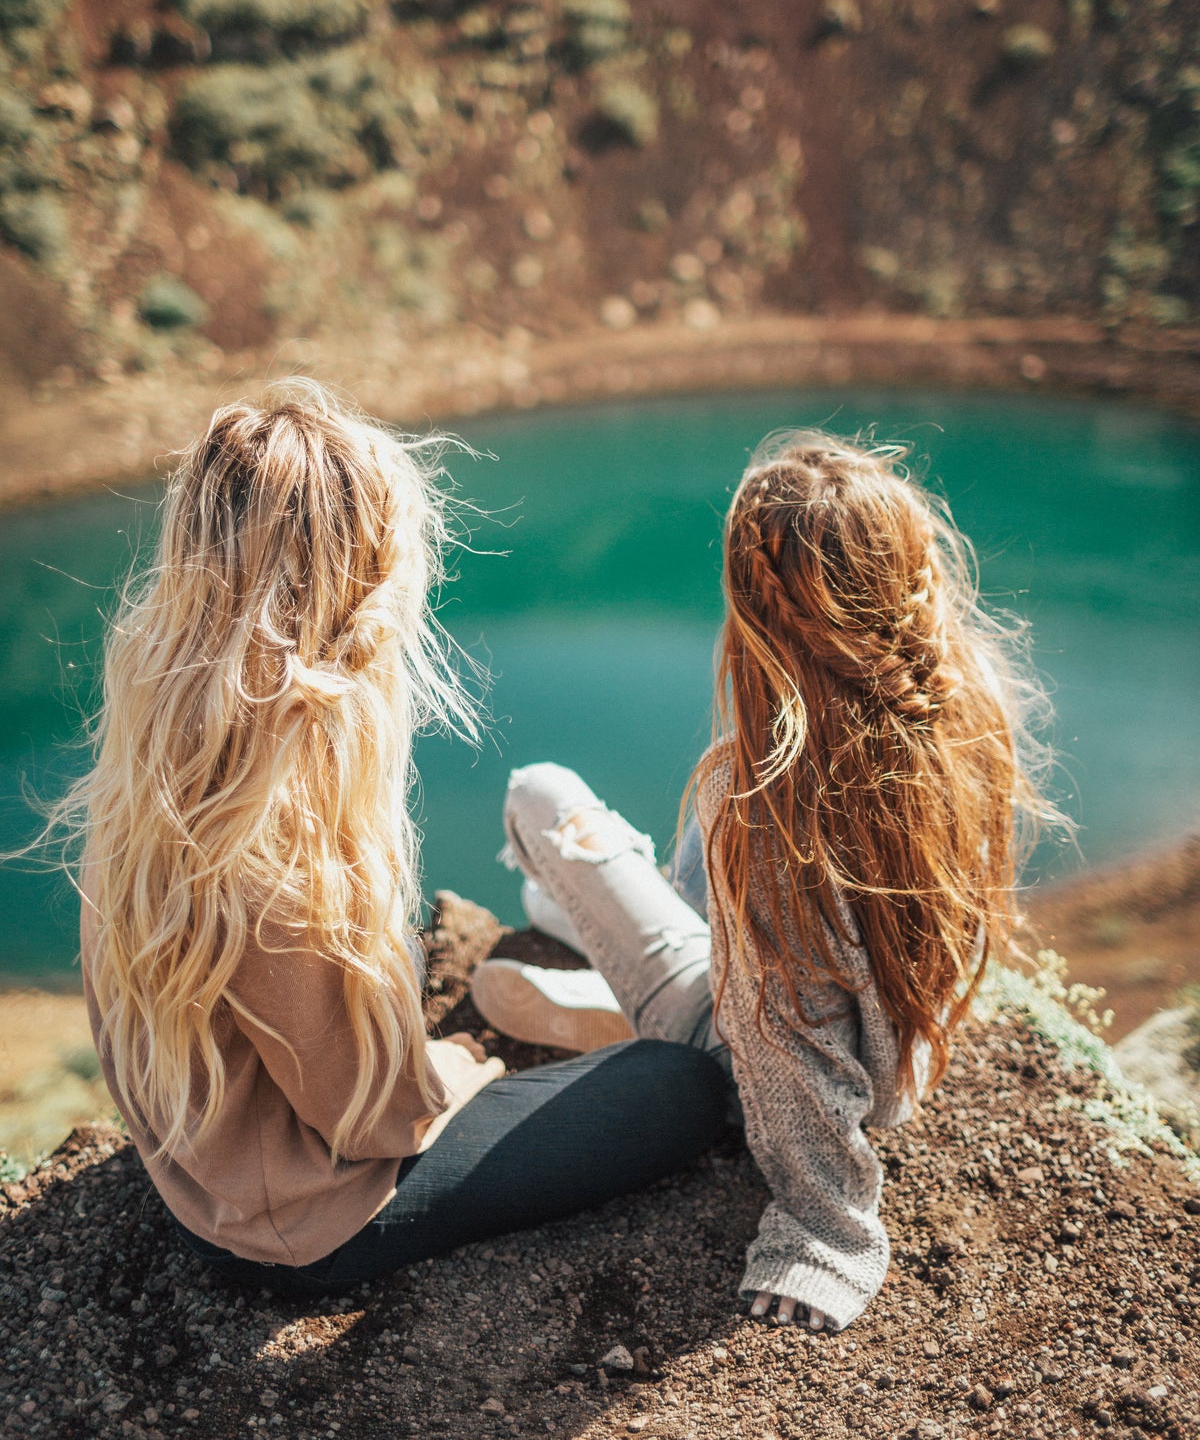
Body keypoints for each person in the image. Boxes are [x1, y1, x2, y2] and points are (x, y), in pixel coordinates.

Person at [68, 380, 727, 1296]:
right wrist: (453, 1071)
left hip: (208, 1159)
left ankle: (599, 1000)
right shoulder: (267, 844)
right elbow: (371, 1122)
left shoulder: (159, 750)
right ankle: (627, 1011)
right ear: (350, 590)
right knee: (682, 1088)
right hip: (294, 1220)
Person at [470, 431, 1058, 1332]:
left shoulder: (768, 805)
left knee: (540, 796)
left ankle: (637, 1005)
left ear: (761, 607)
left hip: (743, 1042)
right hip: (903, 1057)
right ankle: (616, 964)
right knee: (644, 868)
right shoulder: (963, 700)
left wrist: (826, 1232)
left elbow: (786, 1040)